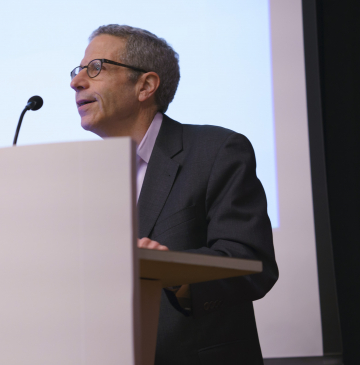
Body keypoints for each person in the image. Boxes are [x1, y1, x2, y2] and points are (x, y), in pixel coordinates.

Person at [70, 24, 278, 365]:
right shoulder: (82, 178)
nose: (76, 82)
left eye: (95, 68)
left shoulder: (216, 151)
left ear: (146, 86)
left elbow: (252, 265)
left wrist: (173, 272)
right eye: (78, 71)